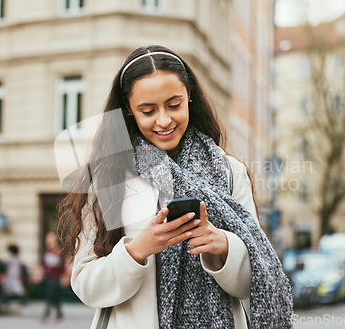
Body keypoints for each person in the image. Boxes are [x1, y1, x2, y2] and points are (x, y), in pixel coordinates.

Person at [57, 45, 293, 328]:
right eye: (148, 110)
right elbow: (86, 287)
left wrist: (222, 248)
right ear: (129, 111)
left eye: (174, 104)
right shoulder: (109, 175)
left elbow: (257, 282)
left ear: (189, 97)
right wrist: (138, 250)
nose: (164, 120)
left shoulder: (230, 172)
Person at [41, 231, 67, 323]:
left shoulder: (60, 252)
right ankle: (59, 315)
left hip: (56, 276)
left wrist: (64, 277)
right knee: (54, 296)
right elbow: (43, 264)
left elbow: (63, 265)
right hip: (48, 277)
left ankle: (46, 314)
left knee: (50, 294)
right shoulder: (47, 251)